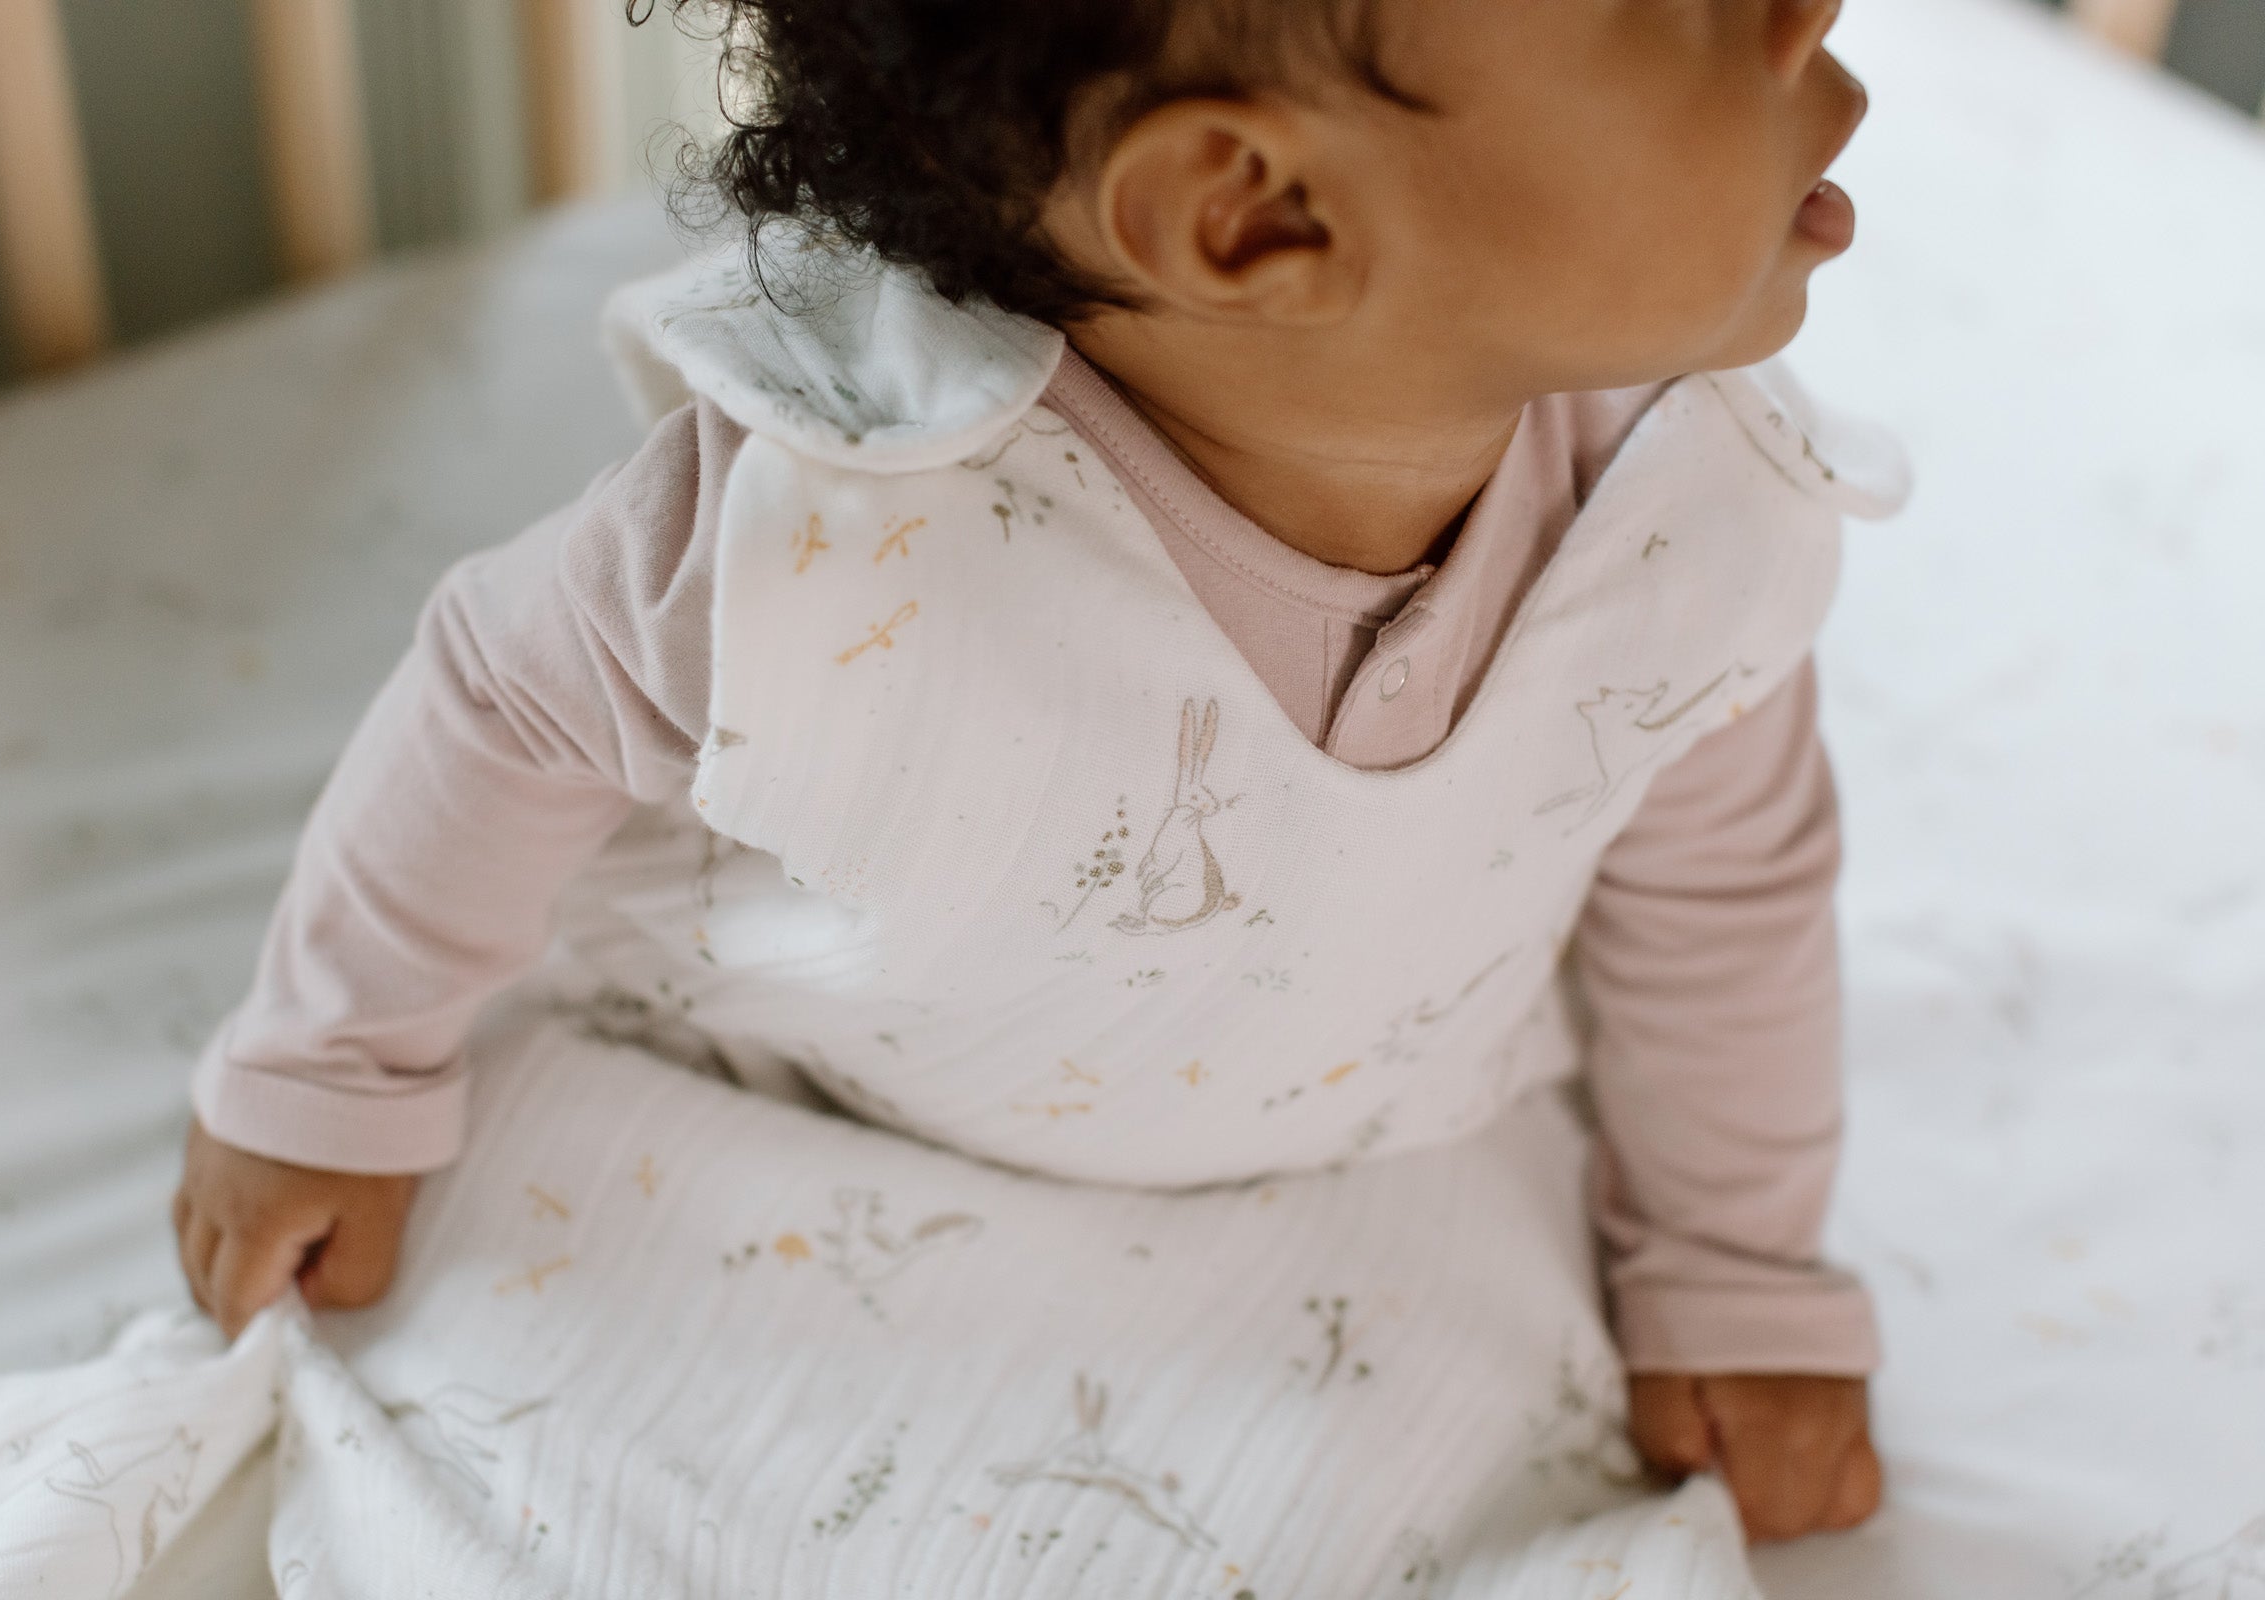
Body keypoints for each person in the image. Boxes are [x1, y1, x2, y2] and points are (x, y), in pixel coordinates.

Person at [174, 0, 1902, 1546]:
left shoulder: (1682, 532)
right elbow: (503, 703)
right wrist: (331, 1063)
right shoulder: (842, 536)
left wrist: (1737, 1278)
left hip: (1366, 1139)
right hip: (808, 1094)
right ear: (1257, 213)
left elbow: (1724, 901)